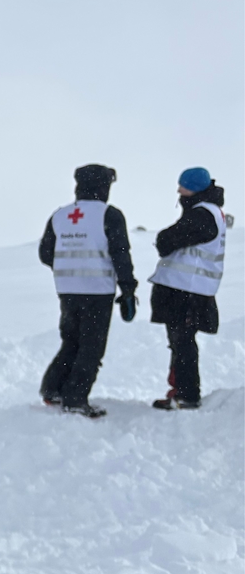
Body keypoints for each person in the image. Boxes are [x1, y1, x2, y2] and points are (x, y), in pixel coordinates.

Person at [38, 164, 137, 418]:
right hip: (97, 291)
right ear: (103, 187)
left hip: (67, 290)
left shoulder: (60, 216)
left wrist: (69, 269)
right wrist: (127, 289)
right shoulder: (109, 215)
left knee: (71, 341)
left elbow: (45, 253)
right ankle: (75, 397)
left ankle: (52, 388)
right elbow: (121, 255)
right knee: (91, 347)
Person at [149, 167, 227, 410]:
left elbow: (168, 240)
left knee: (182, 342)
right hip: (190, 289)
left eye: (183, 186)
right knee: (181, 342)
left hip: (186, 290)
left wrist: (162, 238)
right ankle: (181, 392)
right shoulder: (207, 211)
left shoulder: (202, 215)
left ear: (194, 188)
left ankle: (187, 394)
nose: (179, 190)